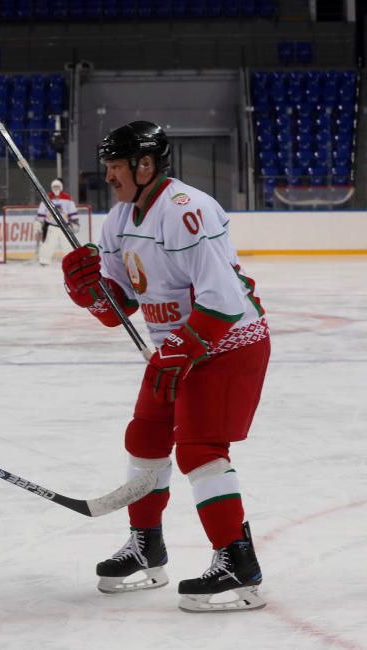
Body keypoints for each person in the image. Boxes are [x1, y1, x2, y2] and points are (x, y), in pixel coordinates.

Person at [60, 121, 270, 613]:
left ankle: (238, 562)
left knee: (199, 448)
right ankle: (146, 546)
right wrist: (88, 292)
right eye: (109, 166)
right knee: (145, 438)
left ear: (146, 165)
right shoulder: (117, 221)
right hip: (179, 348)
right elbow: (118, 310)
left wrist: (183, 345)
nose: (109, 175)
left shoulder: (187, 210)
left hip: (227, 344)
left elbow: (222, 300)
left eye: (117, 166)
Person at [36, 178, 79, 266]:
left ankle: (71, 261)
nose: (56, 188)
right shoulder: (46, 198)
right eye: (54, 187)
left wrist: (75, 222)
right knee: (48, 244)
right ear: (51, 187)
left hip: (65, 226)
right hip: (52, 226)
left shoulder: (67, 198)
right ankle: (44, 260)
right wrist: (39, 222)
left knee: (68, 245)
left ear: (61, 187)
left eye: (58, 186)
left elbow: (72, 211)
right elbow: (41, 212)